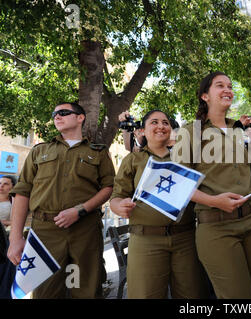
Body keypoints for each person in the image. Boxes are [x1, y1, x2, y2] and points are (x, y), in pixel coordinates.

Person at [171, 71, 251, 298]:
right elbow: (177, 183)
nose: (227, 89)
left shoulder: (239, 130)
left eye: (229, 85)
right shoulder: (190, 132)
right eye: (220, 86)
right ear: (205, 96)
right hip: (217, 229)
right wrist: (212, 201)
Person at [8, 102, 116, 298]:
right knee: (44, 292)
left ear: (80, 117)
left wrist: (80, 210)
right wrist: (15, 238)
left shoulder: (98, 152)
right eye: (54, 113)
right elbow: (22, 192)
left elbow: (108, 187)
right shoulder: (39, 151)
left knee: (87, 290)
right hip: (44, 232)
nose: (57, 116)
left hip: (85, 229)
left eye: (64, 113)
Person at [110, 109, 209, 299]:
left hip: (186, 239)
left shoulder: (185, 159)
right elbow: (116, 196)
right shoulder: (133, 160)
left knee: (193, 295)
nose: (161, 126)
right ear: (144, 131)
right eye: (153, 122)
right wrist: (118, 205)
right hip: (146, 241)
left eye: (165, 123)